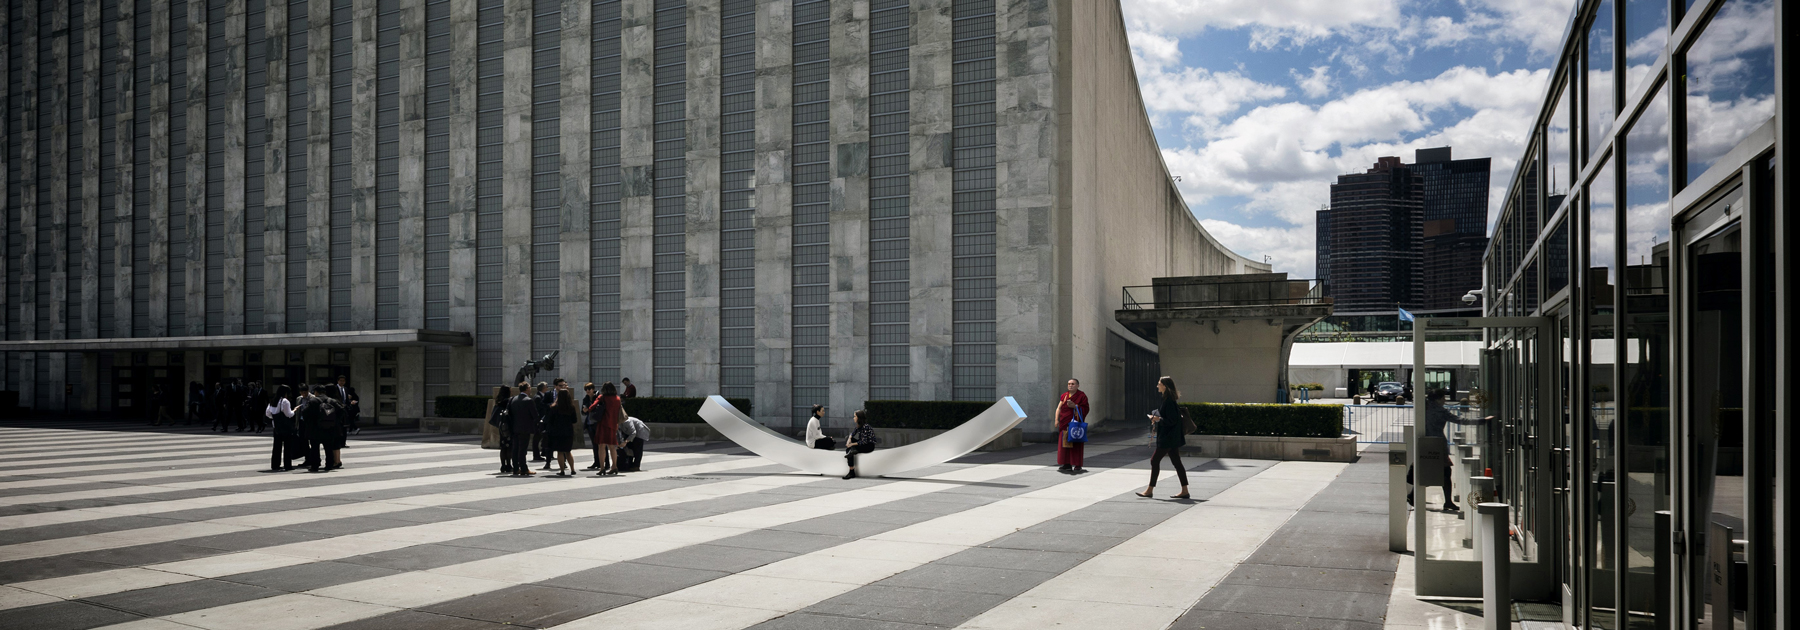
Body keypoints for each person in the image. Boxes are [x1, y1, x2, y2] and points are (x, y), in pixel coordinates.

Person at [1138, 376, 1190, 499]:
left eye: (1159, 384)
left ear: (1165, 386)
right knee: (1177, 463)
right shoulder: (1168, 400)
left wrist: (1157, 419)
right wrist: (1157, 419)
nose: (1157, 386)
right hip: (1171, 438)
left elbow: (1171, 421)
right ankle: (1185, 490)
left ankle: (1150, 490)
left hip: (1168, 438)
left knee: (1154, 460)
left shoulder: (1169, 402)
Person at [306, 385, 348, 471]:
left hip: (315, 429)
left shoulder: (313, 401)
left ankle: (315, 465)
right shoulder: (332, 401)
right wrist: (334, 421)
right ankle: (329, 465)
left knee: (315, 448)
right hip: (329, 428)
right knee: (328, 447)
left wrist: (311, 422)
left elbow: (305, 413)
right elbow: (342, 410)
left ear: (316, 392)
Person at [507, 382, 542, 477]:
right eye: (530, 387)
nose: (530, 389)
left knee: (515, 448)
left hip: (514, 428)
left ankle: (515, 468)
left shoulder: (512, 399)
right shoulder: (528, 400)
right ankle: (523, 468)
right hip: (525, 429)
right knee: (522, 449)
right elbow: (535, 415)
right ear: (526, 389)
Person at [1055, 378, 1089, 473]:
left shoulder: (1082, 396)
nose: (1070, 385)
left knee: (1076, 443)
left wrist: (1076, 406)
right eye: (1069, 384)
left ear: (1077, 385)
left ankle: (1077, 464)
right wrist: (1056, 420)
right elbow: (1059, 408)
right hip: (1064, 423)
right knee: (1064, 443)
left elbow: (1086, 408)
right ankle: (1066, 464)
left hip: (1075, 425)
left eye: (1073, 384)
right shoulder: (1064, 395)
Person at [590, 382, 624, 476]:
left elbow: (592, 407)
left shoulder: (602, 397)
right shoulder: (617, 399)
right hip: (613, 425)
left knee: (601, 446)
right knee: (612, 446)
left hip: (603, 424)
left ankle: (602, 468)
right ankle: (614, 466)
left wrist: (588, 409)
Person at [545, 385, 579, 476]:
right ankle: (572, 469)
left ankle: (562, 470)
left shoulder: (554, 407)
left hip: (557, 432)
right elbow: (574, 420)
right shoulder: (571, 407)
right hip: (568, 431)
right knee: (568, 451)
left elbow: (550, 420)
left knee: (560, 452)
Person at [265, 385, 299, 472]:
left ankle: (275, 464)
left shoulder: (273, 401)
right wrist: (294, 410)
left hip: (276, 427)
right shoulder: (285, 401)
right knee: (287, 447)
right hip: (285, 427)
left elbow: (268, 414)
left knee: (276, 447)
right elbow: (289, 414)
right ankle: (287, 465)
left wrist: (275, 417)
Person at [843, 410, 877, 480]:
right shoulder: (859, 426)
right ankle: (853, 450)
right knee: (847, 439)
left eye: (855, 416)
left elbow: (864, 442)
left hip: (868, 446)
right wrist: (849, 439)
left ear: (859, 418)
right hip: (862, 444)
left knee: (850, 450)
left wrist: (851, 444)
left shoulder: (865, 426)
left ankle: (851, 472)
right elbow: (852, 434)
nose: (853, 418)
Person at [489, 385, 515, 474]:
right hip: (508, 426)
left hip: (502, 426)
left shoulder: (498, 401)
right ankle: (508, 465)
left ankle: (503, 465)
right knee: (509, 446)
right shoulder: (508, 401)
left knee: (503, 446)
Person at [580, 383, 602, 470]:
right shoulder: (585, 398)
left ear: (593, 389)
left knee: (601, 444)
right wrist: (584, 410)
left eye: (589, 389)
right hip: (589, 423)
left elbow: (600, 410)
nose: (587, 391)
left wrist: (589, 408)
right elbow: (583, 412)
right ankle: (596, 462)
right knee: (594, 444)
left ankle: (605, 462)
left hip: (597, 423)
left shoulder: (598, 397)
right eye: (586, 389)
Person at [533, 382, 554, 467]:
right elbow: (539, 409)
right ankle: (536, 455)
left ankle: (543, 452)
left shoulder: (542, 396)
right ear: (542, 388)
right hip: (539, 420)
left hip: (543, 420)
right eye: (546, 387)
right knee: (537, 438)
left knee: (543, 437)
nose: (547, 388)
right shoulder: (538, 397)